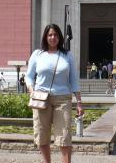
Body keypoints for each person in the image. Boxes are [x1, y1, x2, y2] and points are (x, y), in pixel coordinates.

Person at [25, 24, 83, 163]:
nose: (53, 38)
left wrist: (79, 103)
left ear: (60, 37)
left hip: (63, 99)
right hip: (40, 98)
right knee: (42, 135)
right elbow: (29, 76)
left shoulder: (67, 55)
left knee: (65, 137)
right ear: (46, 37)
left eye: (56, 35)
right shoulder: (37, 54)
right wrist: (31, 89)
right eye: (50, 35)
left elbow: (74, 79)